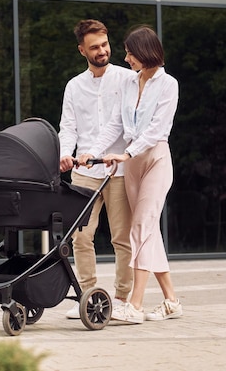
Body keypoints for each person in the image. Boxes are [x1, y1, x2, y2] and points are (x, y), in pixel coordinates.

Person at [78, 25, 182, 324]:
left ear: (145, 53)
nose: (126, 58)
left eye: (130, 53)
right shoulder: (128, 84)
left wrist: (126, 153)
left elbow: (157, 131)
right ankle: (172, 301)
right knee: (149, 231)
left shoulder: (168, 84)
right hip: (133, 166)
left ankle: (134, 305)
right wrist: (91, 151)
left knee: (140, 228)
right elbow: (114, 124)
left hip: (154, 161)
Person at [58, 19, 135, 319]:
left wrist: (102, 152)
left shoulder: (127, 79)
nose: (102, 51)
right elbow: (68, 128)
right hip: (84, 173)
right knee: (80, 237)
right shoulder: (74, 86)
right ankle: (87, 298)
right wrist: (66, 154)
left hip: (118, 171)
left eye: (104, 45)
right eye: (94, 47)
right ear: (82, 50)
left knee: (121, 238)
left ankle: (122, 299)